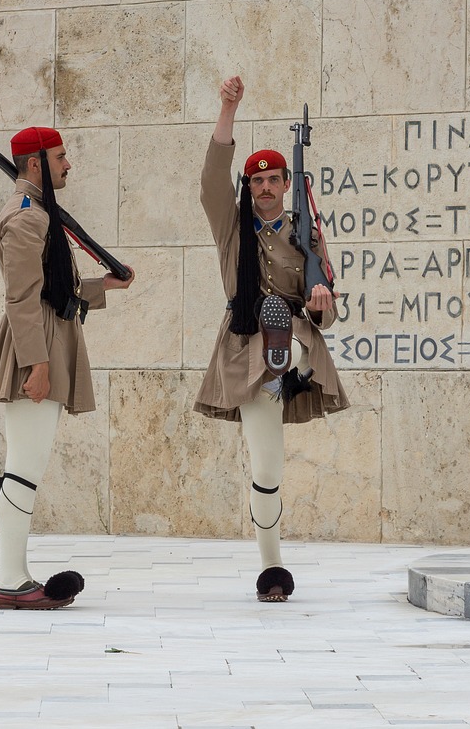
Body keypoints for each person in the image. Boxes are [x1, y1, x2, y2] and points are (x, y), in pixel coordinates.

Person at [194, 76, 349, 602]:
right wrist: (227, 109)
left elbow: (325, 309)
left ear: (287, 185)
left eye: (273, 180)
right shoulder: (231, 229)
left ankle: (296, 376)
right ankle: (271, 566)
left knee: (273, 455)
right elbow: (213, 178)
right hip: (249, 350)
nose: (263, 188)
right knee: (267, 465)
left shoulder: (308, 233)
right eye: (256, 181)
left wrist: (322, 303)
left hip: (296, 344)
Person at [0, 125, 134, 610]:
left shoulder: (39, 213)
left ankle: (17, 576)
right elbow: (22, 298)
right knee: (22, 469)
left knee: (26, 467)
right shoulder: (26, 218)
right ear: (36, 163)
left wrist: (103, 286)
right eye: (61, 156)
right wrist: (37, 366)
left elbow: (53, 289)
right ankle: (11, 582)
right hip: (36, 346)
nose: (69, 164)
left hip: (45, 337)